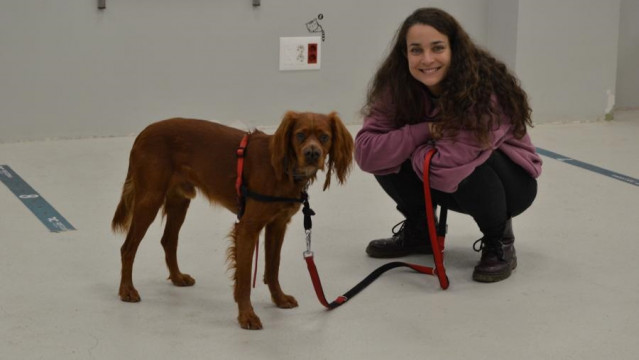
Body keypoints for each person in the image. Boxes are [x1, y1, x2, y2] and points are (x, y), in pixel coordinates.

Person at [355, 7, 542, 283]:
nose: (427, 59)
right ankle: (421, 232)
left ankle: (499, 239)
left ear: (454, 49)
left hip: (510, 184)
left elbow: (446, 166)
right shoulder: (396, 86)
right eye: (416, 50)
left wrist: (408, 145)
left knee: (470, 164)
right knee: (386, 156)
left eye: (437, 48)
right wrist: (426, 131)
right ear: (405, 54)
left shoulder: (484, 87)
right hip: (439, 177)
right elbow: (367, 152)